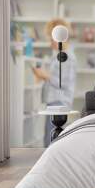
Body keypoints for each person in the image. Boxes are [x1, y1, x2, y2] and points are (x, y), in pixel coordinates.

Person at [32, 18, 77, 147]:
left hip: (59, 104)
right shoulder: (59, 56)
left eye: (51, 39)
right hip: (54, 103)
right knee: (49, 138)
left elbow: (64, 83)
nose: (50, 43)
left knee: (51, 141)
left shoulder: (68, 58)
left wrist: (45, 76)